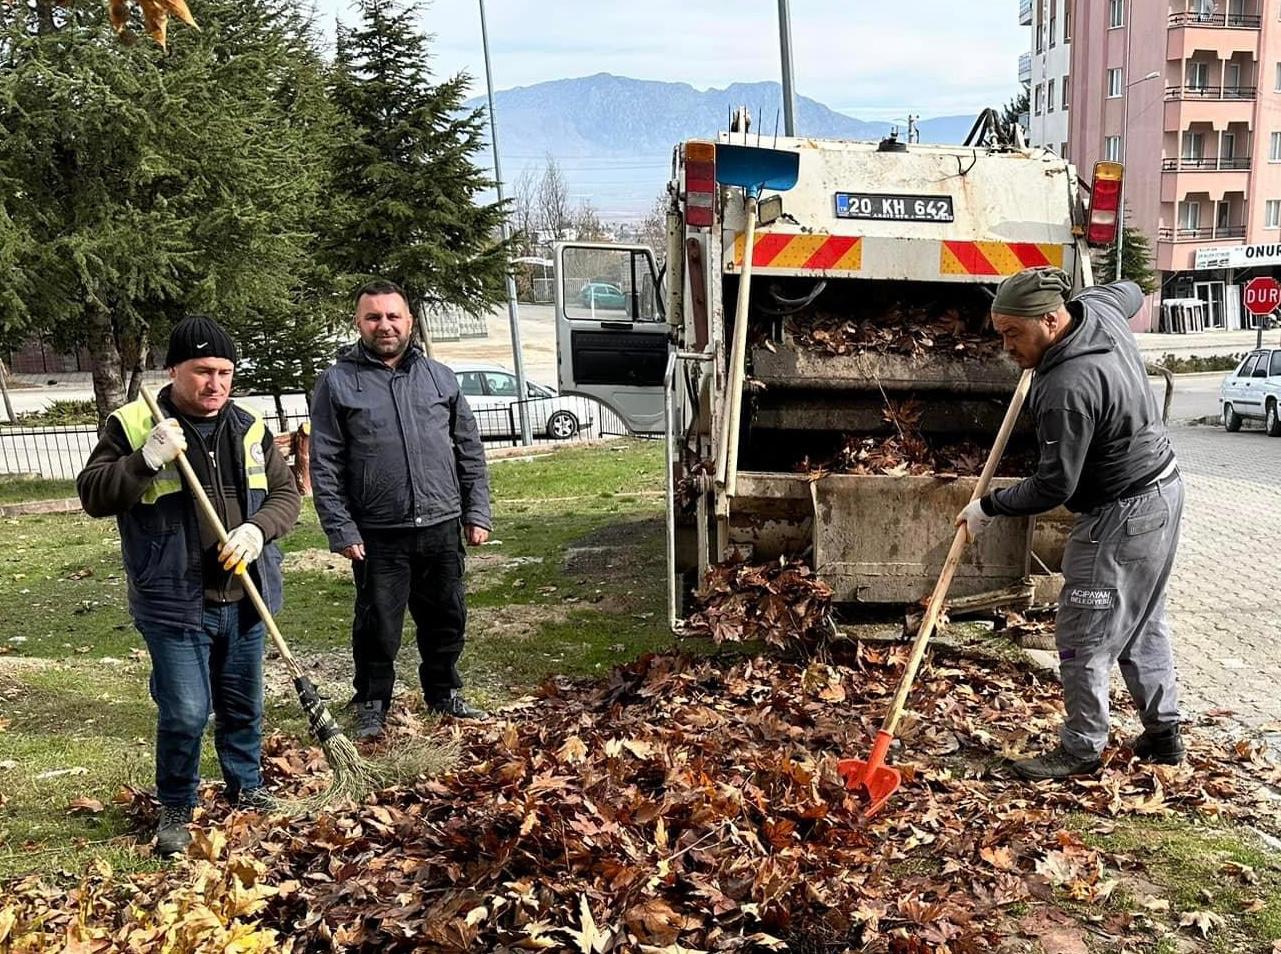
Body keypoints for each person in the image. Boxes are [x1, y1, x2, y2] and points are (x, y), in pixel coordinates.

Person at [77, 316, 301, 856]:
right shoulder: (132, 424)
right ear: (174, 368)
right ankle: (176, 804)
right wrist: (144, 460)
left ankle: (247, 787)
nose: (216, 384)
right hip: (173, 599)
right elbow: (93, 495)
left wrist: (256, 529)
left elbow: (286, 495)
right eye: (203, 371)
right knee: (185, 711)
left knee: (243, 703)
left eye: (225, 372)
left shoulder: (249, 427)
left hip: (245, 594)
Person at [955, 268, 1185, 780]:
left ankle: (1081, 750)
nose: (1006, 346)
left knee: (1084, 633)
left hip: (1119, 516)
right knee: (1142, 619)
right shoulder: (1097, 308)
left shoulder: (1066, 386)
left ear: (1052, 320)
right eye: (1000, 333)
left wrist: (989, 507)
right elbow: (1129, 290)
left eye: (1014, 333)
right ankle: (1164, 736)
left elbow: (1055, 485)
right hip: (1163, 492)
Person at [309, 279, 492, 739]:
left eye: (393, 316)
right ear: (358, 323)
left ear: (409, 321)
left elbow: (468, 448)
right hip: (378, 534)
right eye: (374, 317)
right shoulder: (337, 382)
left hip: (441, 523)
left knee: (446, 616)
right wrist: (341, 528)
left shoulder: (439, 377)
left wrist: (477, 511)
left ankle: (444, 691)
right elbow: (325, 462)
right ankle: (372, 700)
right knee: (378, 624)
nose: (384, 325)